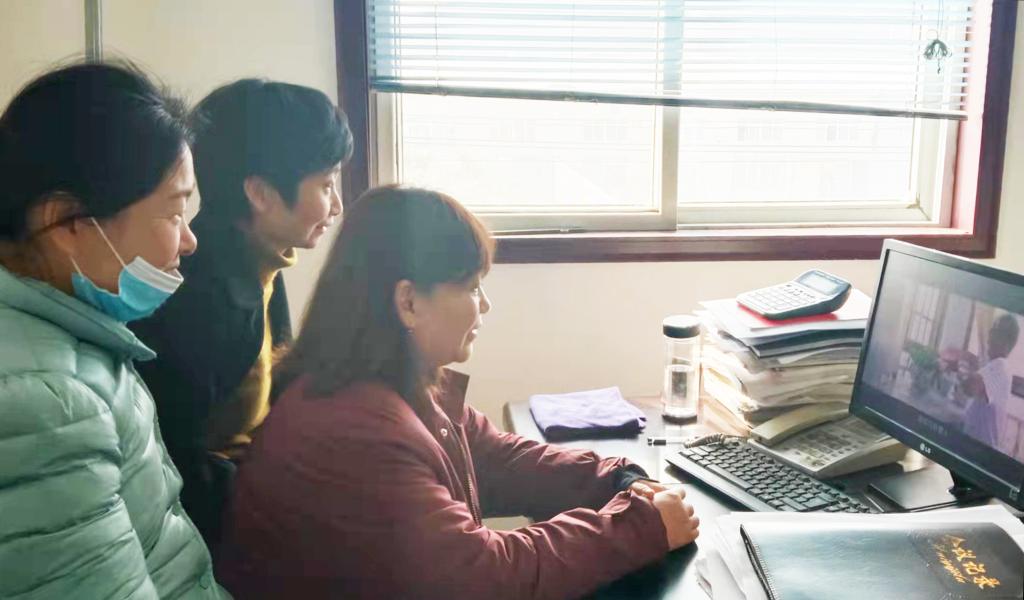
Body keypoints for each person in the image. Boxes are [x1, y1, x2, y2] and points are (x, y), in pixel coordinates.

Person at [217, 186, 699, 599]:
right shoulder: (355, 432)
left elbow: (498, 459)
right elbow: (484, 575)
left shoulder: (390, 386)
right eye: (471, 287)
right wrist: (640, 527)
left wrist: (617, 481)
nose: (484, 305)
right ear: (408, 302)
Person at [0, 62, 225, 598]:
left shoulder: (68, 338)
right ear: (69, 223)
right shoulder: (47, 403)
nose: (189, 240)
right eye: (174, 213)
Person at [131, 78, 353, 547]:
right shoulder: (199, 299)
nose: (337, 205)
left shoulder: (261, 262)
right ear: (260, 193)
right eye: (326, 184)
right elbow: (173, 460)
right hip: (217, 527)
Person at [964, 313, 1023, 458]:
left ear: (1007, 342)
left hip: (979, 453)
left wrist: (960, 361)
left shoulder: (1000, 367)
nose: (989, 335)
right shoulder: (994, 366)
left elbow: (969, 388)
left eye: (995, 331)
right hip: (973, 446)